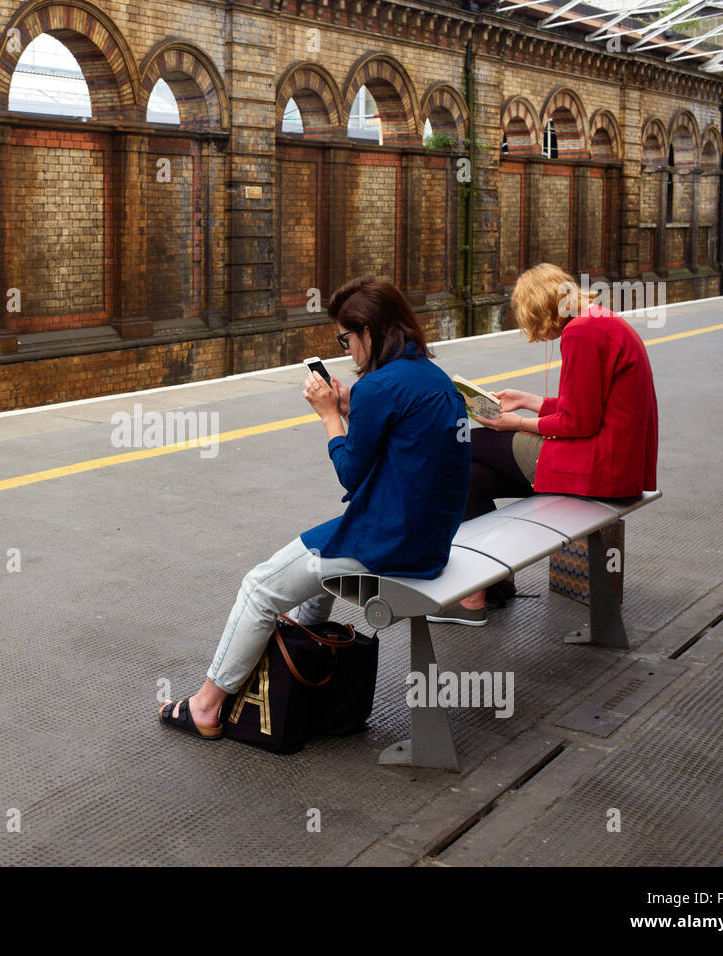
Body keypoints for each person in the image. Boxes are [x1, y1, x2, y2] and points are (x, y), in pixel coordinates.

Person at [158, 276, 471, 740]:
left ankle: (205, 706)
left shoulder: (378, 387)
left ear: (367, 331)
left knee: (259, 586)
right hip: (430, 541)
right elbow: (398, 444)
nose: (346, 350)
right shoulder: (432, 376)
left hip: (388, 542)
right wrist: (351, 408)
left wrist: (329, 416)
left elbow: (350, 471)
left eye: (346, 338)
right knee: (314, 584)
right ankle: (303, 667)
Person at [428, 262, 659, 626]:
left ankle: (477, 583)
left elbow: (578, 422)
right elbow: (587, 408)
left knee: (464, 446)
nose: (535, 330)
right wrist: (527, 400)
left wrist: (514, 423)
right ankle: (486, 589)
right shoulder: (600, 320)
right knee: (469, 476)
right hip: (611, 462)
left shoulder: (580, 333)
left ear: (544, 308)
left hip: (595, 467)